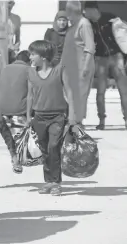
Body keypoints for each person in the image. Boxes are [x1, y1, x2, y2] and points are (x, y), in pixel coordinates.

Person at [27, 40, 76, 196]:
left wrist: (73, 115)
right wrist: (28, 116)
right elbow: (29, 96)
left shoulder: (60, 70)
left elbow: (69, 92)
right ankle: (48, 181)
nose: (30, 57)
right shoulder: (31, 72)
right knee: (45, 150)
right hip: (38, 117)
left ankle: (56, 182)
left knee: (53, 147)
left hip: (57, 116)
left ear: (43, 56)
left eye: (33, 54)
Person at [84, 1, 127, 130]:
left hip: (116, 56)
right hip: (100, 58)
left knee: (123, 91)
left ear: (94, 9)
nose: (86, 14)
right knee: (100, 92)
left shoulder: (109, 17)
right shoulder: (88, 24)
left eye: (87, 11)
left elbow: (122, 34)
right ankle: (101, 120)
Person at [0, 50, 31, 173]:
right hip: (19, 110)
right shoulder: (29, 70)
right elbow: (32, 93)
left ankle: (14, 157)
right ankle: (20, 159)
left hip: (1, 109)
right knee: (22, 136)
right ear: (29, 61)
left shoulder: (4, 69)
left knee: (9, 136)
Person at [61, 0, 95, 126]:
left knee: (78, 98)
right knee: (69, 98)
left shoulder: (84, 24)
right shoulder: (72, 26)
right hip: (69, 69)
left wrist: (85, 68)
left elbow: (90, 47)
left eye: (68, 11)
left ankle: (77, 125)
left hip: (81, 68)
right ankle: (72, 124)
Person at [0, 0, 21, 65]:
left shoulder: (16, 18)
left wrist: (16, 47)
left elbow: (18, 36)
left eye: (11, 3)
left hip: (11, 52)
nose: (8, 5)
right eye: (6, 3)